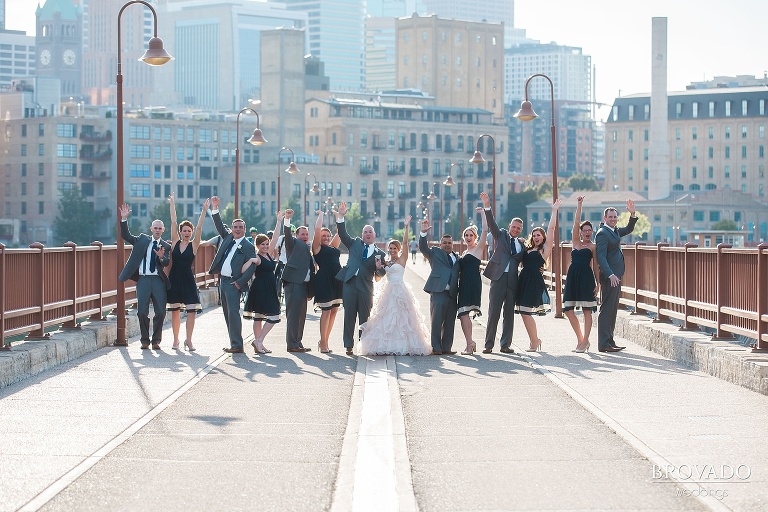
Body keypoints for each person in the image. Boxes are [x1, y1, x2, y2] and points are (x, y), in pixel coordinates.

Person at [359, 216, 432, 355]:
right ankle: (386, 345)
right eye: (390, 248)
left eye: (394, 248)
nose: (392, 250)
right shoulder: (386, 262)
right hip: (387, 291)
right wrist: (379, 268)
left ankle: (402, 345)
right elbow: (378, 278)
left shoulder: (402, 259)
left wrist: (406, 227)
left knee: (402, 319)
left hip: (400, 291)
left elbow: (405, 243)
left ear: (398, 249)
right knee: (386, 319)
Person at [334, 201, 387, 355]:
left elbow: (380, 276)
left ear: (374, 235)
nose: (367, 234)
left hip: (366, 287)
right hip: (350, 284)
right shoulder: (355, 244)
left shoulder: (380, 254)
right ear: (362, 235)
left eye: (370, 232)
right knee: (349, 316)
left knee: (365, 318)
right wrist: (341, 217)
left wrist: (379, 269)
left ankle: (363, 344)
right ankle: (348, 345)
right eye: (365, 232)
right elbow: (343, 234)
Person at [208, 196, 258, 354]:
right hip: (223, 281)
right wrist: (215, 208)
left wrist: (239, 283)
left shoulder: (248, 246)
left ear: (245, 229)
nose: (237, 229)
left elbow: (251, 268)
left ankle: (237, 344)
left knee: (233, 314)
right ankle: (234, 343)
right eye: (235, 227)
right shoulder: (228, 238)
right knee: (226, 313)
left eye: (240, 227)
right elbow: (218, 226)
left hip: (233, 283)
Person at [118, 205, 171, 350]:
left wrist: (161, 258)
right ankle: (145, 340)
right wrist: (124, 219)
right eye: (155, 228)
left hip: (158, 281)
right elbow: (126, 236)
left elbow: (166, 262)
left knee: (161, 311)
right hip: (144, 280)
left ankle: (156, 340)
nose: (158, 230)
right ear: (151, 229)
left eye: (160, 228)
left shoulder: (166, 245)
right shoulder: (142, 239)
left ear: (163, 230)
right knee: (142, 311)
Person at [480, 191, 524, 354]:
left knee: (509, 315)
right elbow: (491, 223)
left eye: (518, 228)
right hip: (498, 278)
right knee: (494, 312)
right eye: (514, 226)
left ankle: (505, 344)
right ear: (510, 226)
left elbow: (527, 261)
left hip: (512, 281)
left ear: (521, 230)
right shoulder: (501, 235)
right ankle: (488, 344)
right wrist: (487, 206)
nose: (515, 229)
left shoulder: (521, 246)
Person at [516, 199, 562, 352]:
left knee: (525, 312)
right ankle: (534, 341)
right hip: (523, 280)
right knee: (523, 312)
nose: (536, 237)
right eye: (534, 235)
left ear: (543, 238)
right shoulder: (527, 248)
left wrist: (554, 210)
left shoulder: (544, 250)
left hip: (534, 281)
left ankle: (535, 341)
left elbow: (551, 228)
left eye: (539, 235)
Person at [166, 194, 210, 351]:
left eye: (188, 231)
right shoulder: (175, 242)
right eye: (184, 230)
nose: (187, 233)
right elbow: (173, 222)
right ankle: (176, 340)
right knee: (175, 311)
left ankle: (189, 340)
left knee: (191, 310)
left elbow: (199, 228)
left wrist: (204, 210)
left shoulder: (194, 244)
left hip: (187, 278)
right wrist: (172, 204)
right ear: (180, 232)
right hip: (174, 278)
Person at [596, 200, 638, 353]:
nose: (613, 219)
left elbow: (628, 229)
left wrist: (632, 214)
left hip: (616, 276)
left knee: (613, 310)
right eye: (610, 217)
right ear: (604, 218)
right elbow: (601, 257)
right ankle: (603, 343)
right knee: (607, 309)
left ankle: (609, 341)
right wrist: (610, 274)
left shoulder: (613, 231)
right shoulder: (602, 234)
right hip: (610, 277)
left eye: (615, 216)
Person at [241, 212, 284, 355]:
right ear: (257, 245)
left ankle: (259, 342)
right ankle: (258, 341)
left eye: (267, 244)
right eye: (263, 244)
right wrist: (251, 260)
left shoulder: (269, 254)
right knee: (271, 316)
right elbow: (243, 269)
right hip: (260, 288)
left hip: (270, 287)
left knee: (263, 316)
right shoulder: (257, 257)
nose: (266, 246)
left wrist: (279, 221)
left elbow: (276, 237)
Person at [419, 218, 460, 355]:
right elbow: (423, 248)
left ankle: (446, 347)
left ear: (452, 244)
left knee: (450, 322)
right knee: (436, 321)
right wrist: (423, 233)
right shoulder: (434, 253)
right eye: (445, 243)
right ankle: (436, 348)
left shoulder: (457, 257)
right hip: (438, 291)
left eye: (450, 243)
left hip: (452, 293)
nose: (447, 245)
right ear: (440, 243)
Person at [563, 196, 599, 353]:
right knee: (568, 310)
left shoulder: (593, 247)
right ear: (581, 232)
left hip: (586, 278)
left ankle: (585, 342)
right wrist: (579, 205)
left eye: (590, 230)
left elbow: (596, 266)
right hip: (572, 277)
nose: (588, 232)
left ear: (592, 232)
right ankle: (580, 339)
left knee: (586, 310)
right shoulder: (575, 241)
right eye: (585, 230)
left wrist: (599, 284)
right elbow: (576, 222)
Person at [280, 209, 315, 352]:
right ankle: (292, 344)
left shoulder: (308, 248)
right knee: (293, 315)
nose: (305, 236)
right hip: (294, 283)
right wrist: (287, 220)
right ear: (297, 235)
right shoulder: (292, 244)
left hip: (304, 285)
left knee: (301, 316)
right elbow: (287, 235)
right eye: (302, 234)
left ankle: (297, 342)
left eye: (307, 234)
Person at [456, 206, 488, 355]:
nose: (468, 237)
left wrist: (483, 213)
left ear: (475, 237)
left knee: (464, 313)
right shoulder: (464, 252)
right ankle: (470, 342)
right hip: (463, 284)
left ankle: (469, 344)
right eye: (466, 235)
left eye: (471, 235)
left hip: (473, 283)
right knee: (463, 314)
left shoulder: (478, 248)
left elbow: (486, 231)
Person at [311, 210, 343, 353]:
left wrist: (339, 217)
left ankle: (325, 340)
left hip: (336, 280)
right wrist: (322, 215)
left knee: (334, 311)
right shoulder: (317, 248)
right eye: (323, 236)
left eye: (327, 235)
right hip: (324, 281)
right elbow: (317, 229)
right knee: (326, 311)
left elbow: (341, 232)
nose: (325, 237)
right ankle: (323, 343)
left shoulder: (332, 247)